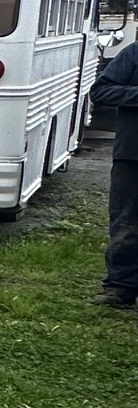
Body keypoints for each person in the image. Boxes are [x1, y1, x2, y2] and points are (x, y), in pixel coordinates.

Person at [89, 37, 138, 304]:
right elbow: (101, 91)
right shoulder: (134, 54)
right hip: (132, 156)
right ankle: (121, 286)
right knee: (127, 222)